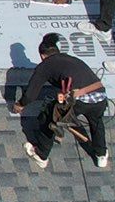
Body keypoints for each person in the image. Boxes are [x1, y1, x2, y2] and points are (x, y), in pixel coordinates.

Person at [20, 33, 109, 169]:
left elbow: (30, 95)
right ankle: (101, 155)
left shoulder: (45, 66)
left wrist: (19, 105)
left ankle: (41, 155)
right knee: (96, 121)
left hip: (79, 101)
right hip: (100, 97)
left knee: (49, 117)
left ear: (42, 56)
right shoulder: (71, 60)